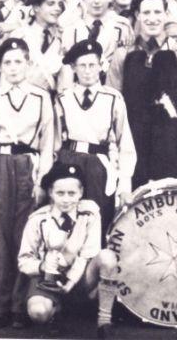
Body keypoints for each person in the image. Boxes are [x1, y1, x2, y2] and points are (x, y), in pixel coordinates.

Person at [0, 38, 55, 329]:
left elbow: (47, 144)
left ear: (29, 64)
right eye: (7, 62)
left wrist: (43, 181)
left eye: (19, 61)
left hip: (27, 165)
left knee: (25, 237)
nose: (13, 67)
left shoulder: (41, 97)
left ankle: (20, 306)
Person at [107, 0, 177, 187]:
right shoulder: (123, 54)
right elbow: (112, 104)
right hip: (132, 142)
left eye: (157, 12)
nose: (152, 18)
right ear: (138, 15)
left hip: (170, 141)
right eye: (146, 12)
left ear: (166, 14)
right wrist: (113, 149)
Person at [17, 162, 119, 336]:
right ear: (50, 193)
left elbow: (89, 253)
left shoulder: (90, 213)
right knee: (38, 313)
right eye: (60, 193)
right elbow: (24, 261)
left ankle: (104, 322)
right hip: (47, 280)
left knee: (107, 257)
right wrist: (42, 266)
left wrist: (71, 281)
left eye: (72, 193)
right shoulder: (38, 220)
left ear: (81, 193)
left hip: (79, 278)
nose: (66, 199)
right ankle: (54, 313)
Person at [55, 40, 136, 228]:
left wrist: (124, 185)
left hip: (98, 165)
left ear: (101, 66)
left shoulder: (112, 98)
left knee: (98, 220)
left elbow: (125, 143)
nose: (87, 71)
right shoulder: (63, 99)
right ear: (74, 68)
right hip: (69, 160)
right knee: (68, 221)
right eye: (82, 65)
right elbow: (56, 141)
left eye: (92, 65)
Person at [61, 0, 134, 87]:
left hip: (114, 87)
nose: (97, 1)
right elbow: (67, 68)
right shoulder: (72, 29)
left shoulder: (122, 26)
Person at [10, 0, 66, 94]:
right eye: (51, 4)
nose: (57, 8)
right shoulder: (20, 36)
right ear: (36, 7)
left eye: (60, 4)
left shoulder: (62, 38)